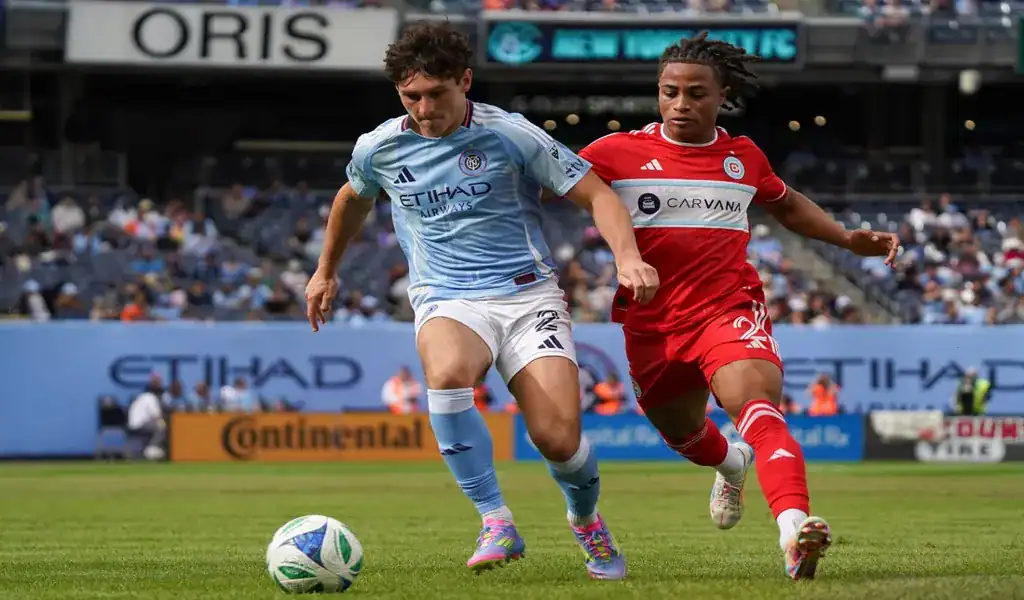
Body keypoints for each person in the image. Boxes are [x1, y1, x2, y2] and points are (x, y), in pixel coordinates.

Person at [304, 21, 658, 580]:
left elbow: (594, 192)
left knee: (557, 439)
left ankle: (586, 521)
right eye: (411, 96)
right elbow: (352, 197)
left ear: (464, 81)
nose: (424, 109)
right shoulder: (379, 147)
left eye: (437, 94)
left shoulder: (511, 134)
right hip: (446, 296)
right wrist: (325, 271)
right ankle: (496, 520)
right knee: (447, 373)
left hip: (527, 298)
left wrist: (627, 258)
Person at [577, 32, 901, 581]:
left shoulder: (742, 157)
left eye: (696, 93)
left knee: (760, 411)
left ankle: (794, 532)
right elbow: (544, 184)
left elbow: (787, 205)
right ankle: (730, 464)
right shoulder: (612, 154)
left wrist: (846, 239)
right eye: (669, 92)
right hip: (651, 324)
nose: (681, 104)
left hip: (727, 310)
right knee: (684, 436)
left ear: (723, 94)